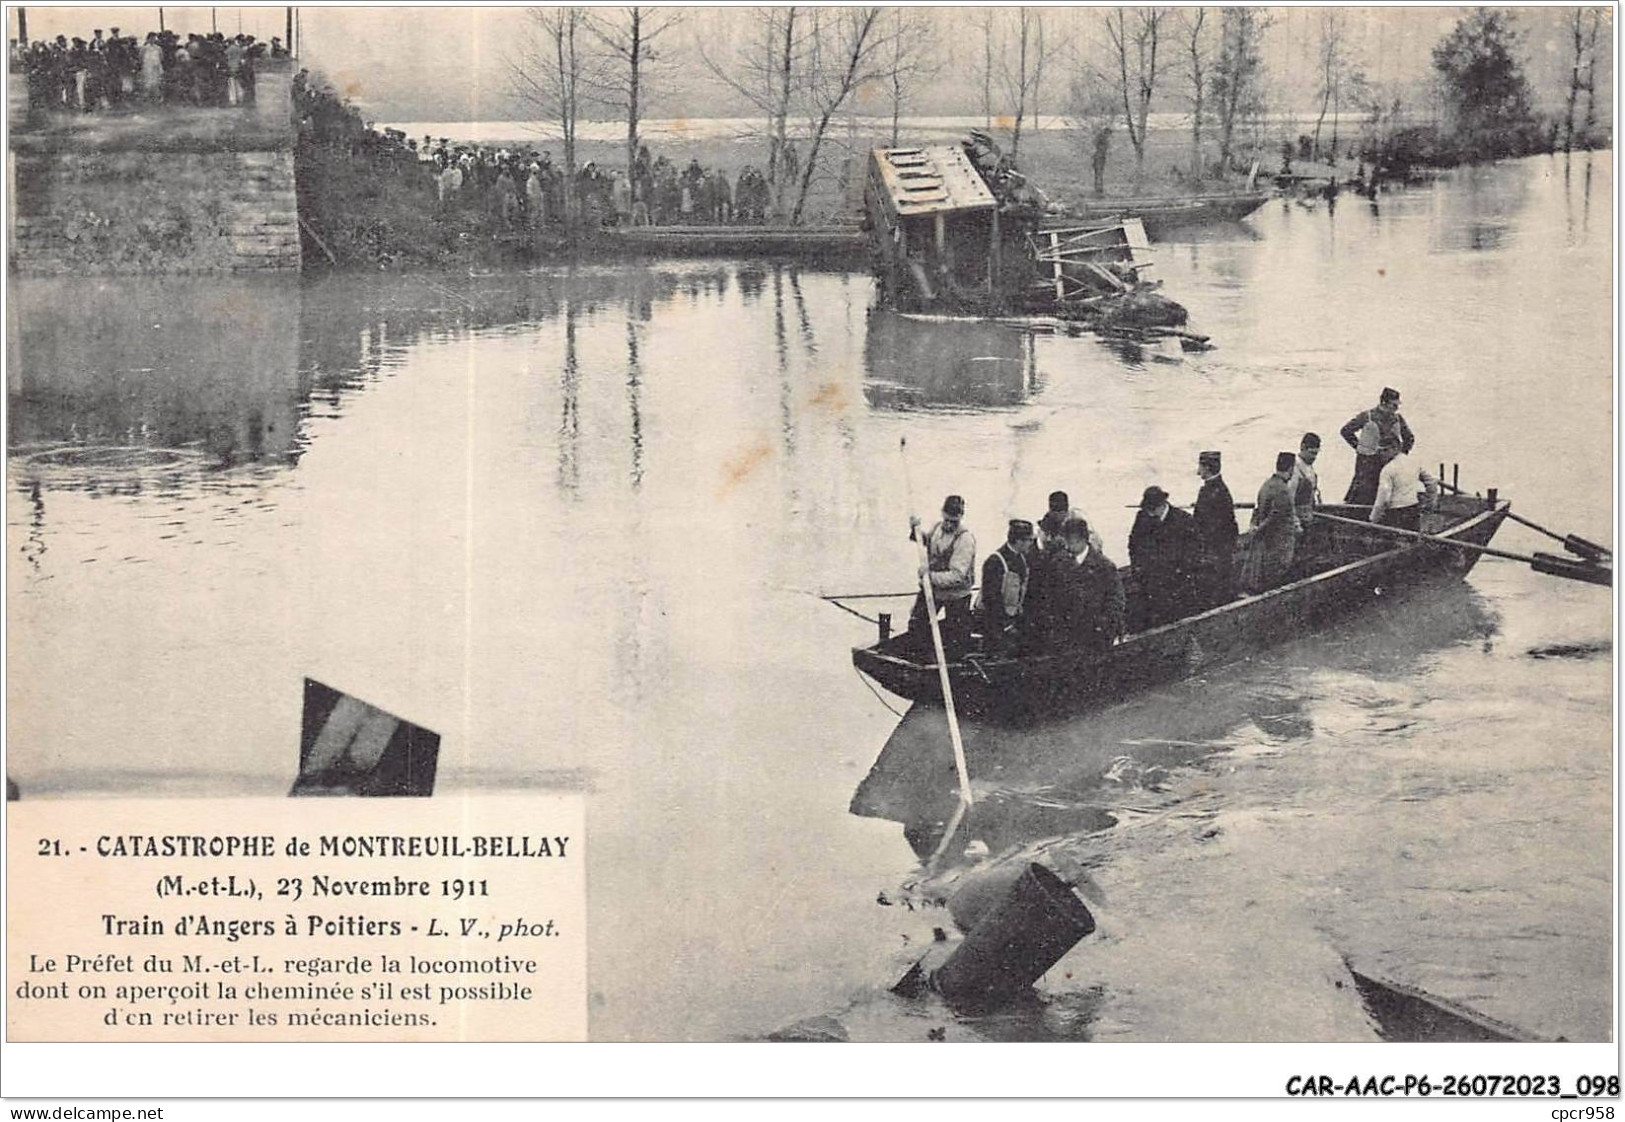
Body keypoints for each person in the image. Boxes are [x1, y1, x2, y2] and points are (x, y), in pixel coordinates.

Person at [907, 495, 977, 659]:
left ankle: (952, 664)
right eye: (946, 519)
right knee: (916, 623)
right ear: (942, 514)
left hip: (956, 596)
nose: (948, 524)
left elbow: (957, 576)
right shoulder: (938, 528)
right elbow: (927, 541)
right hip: (933, 590)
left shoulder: (965, 540)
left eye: (953, 521)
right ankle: (921, 658)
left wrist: (929, 577)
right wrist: (915, 531)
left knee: (957, 639)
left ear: (960, 517)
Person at [1128, 485, 1200, 629]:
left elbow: (1194, 554)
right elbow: (1133, 546)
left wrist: (1179, 574)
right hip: (1150, 586)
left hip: (1177, 587)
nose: (1150, 514)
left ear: (1162, 505)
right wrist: (1138, 570)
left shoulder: (1183, 521)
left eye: (1152, 510)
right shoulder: (1142, 518)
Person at [1052, 516, 1125, 654]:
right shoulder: (1059, 563)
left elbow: (1116, 601)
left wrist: (1103, 626)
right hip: (1069, 635)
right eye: (1066, 541)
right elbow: (1053, 596)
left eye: (1072, 542)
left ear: (1084, 540)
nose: (1068, 546)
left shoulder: (1104, 566)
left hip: (1096, 635)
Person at [1340, 387, 1414, 506]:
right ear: (1384, 403)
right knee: (1363, 496)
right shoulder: (1366, 416)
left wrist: (1401, 455)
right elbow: (1346, 431)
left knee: (1390, 494)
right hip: (1368, 463)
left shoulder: (1398, 419)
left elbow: (1409, 438)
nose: (1396, 408)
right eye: (1393, 405)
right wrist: (1360, 447)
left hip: (1390, 462)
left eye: (1397, 405)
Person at [1240, 452, 1299, 595]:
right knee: (1277, 574)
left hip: (1266, 541)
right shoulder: (1283, 490)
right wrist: (1259, 529)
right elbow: (1275, 517)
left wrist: (1254, 527)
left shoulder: (1266, 484)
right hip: (1279, 543)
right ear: (1290, 469)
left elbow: (1258, 510)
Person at [978, 520, 1035, 655]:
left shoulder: (1022, 560)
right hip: (996, 626)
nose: (1031, 544)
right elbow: (991, 599)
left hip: (1014, 622)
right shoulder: (995, 562)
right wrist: (1006, 626)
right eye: (1029, 540)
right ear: (1019, 541)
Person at [1192, 450, 1238, 608]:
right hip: (1222, 552)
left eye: (1201, 466)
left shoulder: (1208, 492)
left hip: (1214, 553)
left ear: (1207, 468)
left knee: (1214, 590)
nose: (1198, 471)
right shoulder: (1220, 490)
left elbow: (1201, 524)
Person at [1369, 450, 1440, 532]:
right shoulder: (1413, 462)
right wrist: (1430, 503)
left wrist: (1373, 518)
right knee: (1412, 540)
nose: (1380, 454)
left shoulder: (1387, 469)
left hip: (1395, 514)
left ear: (1394, 448)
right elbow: (1432, 482)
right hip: (1413, 510)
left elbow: (1384, 498)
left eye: (1384, 450)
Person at [1290, 432, 1322, 538]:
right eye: (1312, 453)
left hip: (1308, 516)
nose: (1314, 457)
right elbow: (1289, 501)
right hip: (1298, 522)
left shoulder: (1309, 467)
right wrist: (1296, 524)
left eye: (1316, 454)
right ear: (1302, 447)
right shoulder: (1294, 470)